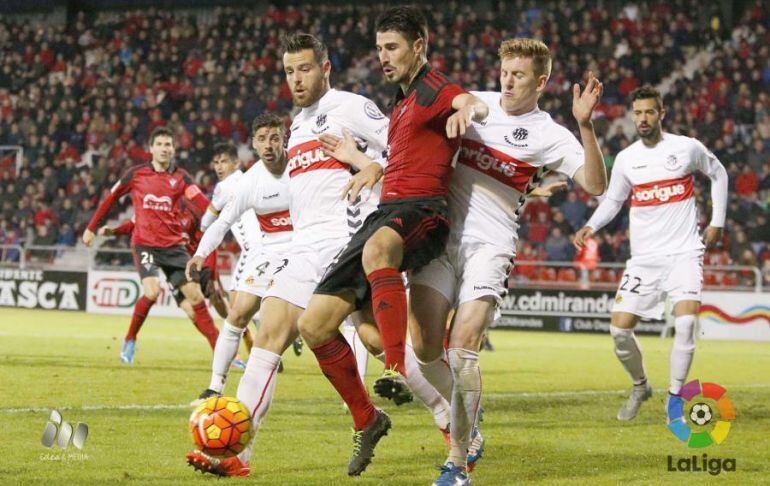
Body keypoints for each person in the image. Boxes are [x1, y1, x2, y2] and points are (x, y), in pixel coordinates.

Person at [186, 33, 399, 478]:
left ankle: (452, 424)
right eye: (289, 71)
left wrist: (372, 165)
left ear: (325, 68)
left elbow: (401, 149)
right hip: (303, 248)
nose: (296, 79)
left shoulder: (351, 106)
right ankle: (234, 455)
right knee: (267, 338)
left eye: (304, 68)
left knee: (380, 344)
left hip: (348, 240)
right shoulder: (298, 123)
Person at [295, 6, 488, 475]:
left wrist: (472, 110)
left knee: (379, 253)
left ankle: (395, 370)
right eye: (379, 48)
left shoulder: (434, 88)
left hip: (423, 212)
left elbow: (467, 102)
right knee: (315, 326)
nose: (383, 56)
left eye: (393, 47)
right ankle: (368, 417)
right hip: (386, 212)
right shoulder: (401, 103)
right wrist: (368, 163)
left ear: (418, 47)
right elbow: (393, 161)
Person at [408, 38, 607, 485]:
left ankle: (457, 464)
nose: (508, 81)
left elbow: (594, 184)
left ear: (541, 81)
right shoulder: (476, 105)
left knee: (461, 351)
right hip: (441, 241)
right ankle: (467, 419)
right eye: (505, 72)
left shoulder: (550, 134)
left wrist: (585, 126)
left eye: (518, 75)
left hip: (491, 245)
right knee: (422, 348)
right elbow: (447, 126)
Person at [574, 85, 728, 421]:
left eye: (649, 112)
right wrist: (591, 226)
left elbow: (719, 173)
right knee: (619, 330)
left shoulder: (686, 148)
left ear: (662, 114)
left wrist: (717, 221)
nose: (643, 119)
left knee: (686, 323)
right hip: (644, 259)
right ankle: (641, 385)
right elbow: (613, 200)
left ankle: (674, 401)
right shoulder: (628, 159)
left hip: (685, 252)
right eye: (638, 113)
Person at [82, 126, 219, 364]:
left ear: (174, 149)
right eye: (161, 144)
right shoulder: (136, 175)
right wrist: (91, 227)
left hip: (174, 247)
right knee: (152, 291)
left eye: (169, 145)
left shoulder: (181, 177)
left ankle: (221, 351)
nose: (165, 149)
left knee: (195, 298)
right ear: (151, 149)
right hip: (145, 245)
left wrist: (222, 211)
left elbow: (202, 201)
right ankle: (130, 339)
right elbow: (111, 198)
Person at [187, 116, 293, 405]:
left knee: (325, 326)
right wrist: (200, 253)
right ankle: (214, 386)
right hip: (264, 253)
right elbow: (220, 224)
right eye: (262, 139)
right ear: (254, 145)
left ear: (285, 137)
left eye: (274, 137)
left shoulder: (301, 168)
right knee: (236, 315)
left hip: (303, 252)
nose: (269, 145)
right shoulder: (249, 182)